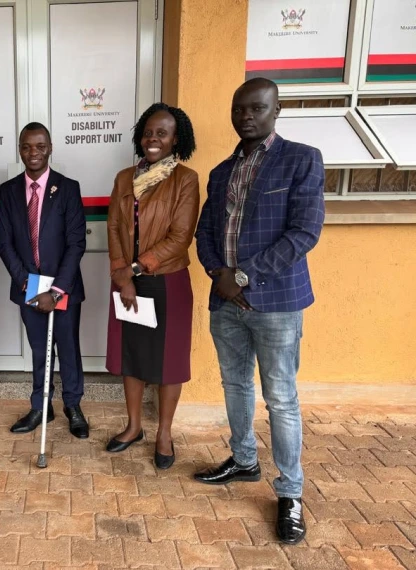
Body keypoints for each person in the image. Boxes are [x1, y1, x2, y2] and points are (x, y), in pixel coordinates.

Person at [194, 78, 325, 545]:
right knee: (234, 384)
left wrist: (243, 276)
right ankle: (244, 460)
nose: (246, 116)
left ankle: (290, 494)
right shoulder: (220, 171)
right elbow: (205, 233)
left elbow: (304, 233)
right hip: (226, 301)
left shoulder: (301, 160)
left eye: (257, 108)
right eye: (239, 109)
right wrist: (220, 277)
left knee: (282, 398)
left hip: (276, 303)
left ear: (276, 110)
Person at [105, 103, 199, 469]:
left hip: (167, 281)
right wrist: (122, 274)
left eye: (162, 133)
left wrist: (136, 268)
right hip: (126, 280)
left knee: (169, 361)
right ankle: (132, 428)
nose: (153, 139)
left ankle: (163, 432)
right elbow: (114, 227)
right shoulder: (124, 178)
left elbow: (180, 236)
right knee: (133, 354)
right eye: (148, 132)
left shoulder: (186, 179)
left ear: (177, 139)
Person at [0, 122, 89, 438]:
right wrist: (26, 283)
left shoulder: (68, 188)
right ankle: (41, 406)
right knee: (39, 348)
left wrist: (57, 289)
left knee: (67, 346)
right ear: (20, 149)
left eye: (40, 146)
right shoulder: (8, 191)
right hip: (29, 287)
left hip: (63, 287)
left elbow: (77, 242)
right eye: (26, 146)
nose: (33, 152)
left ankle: (73, 405)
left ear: (49, 148)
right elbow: (4, 243)